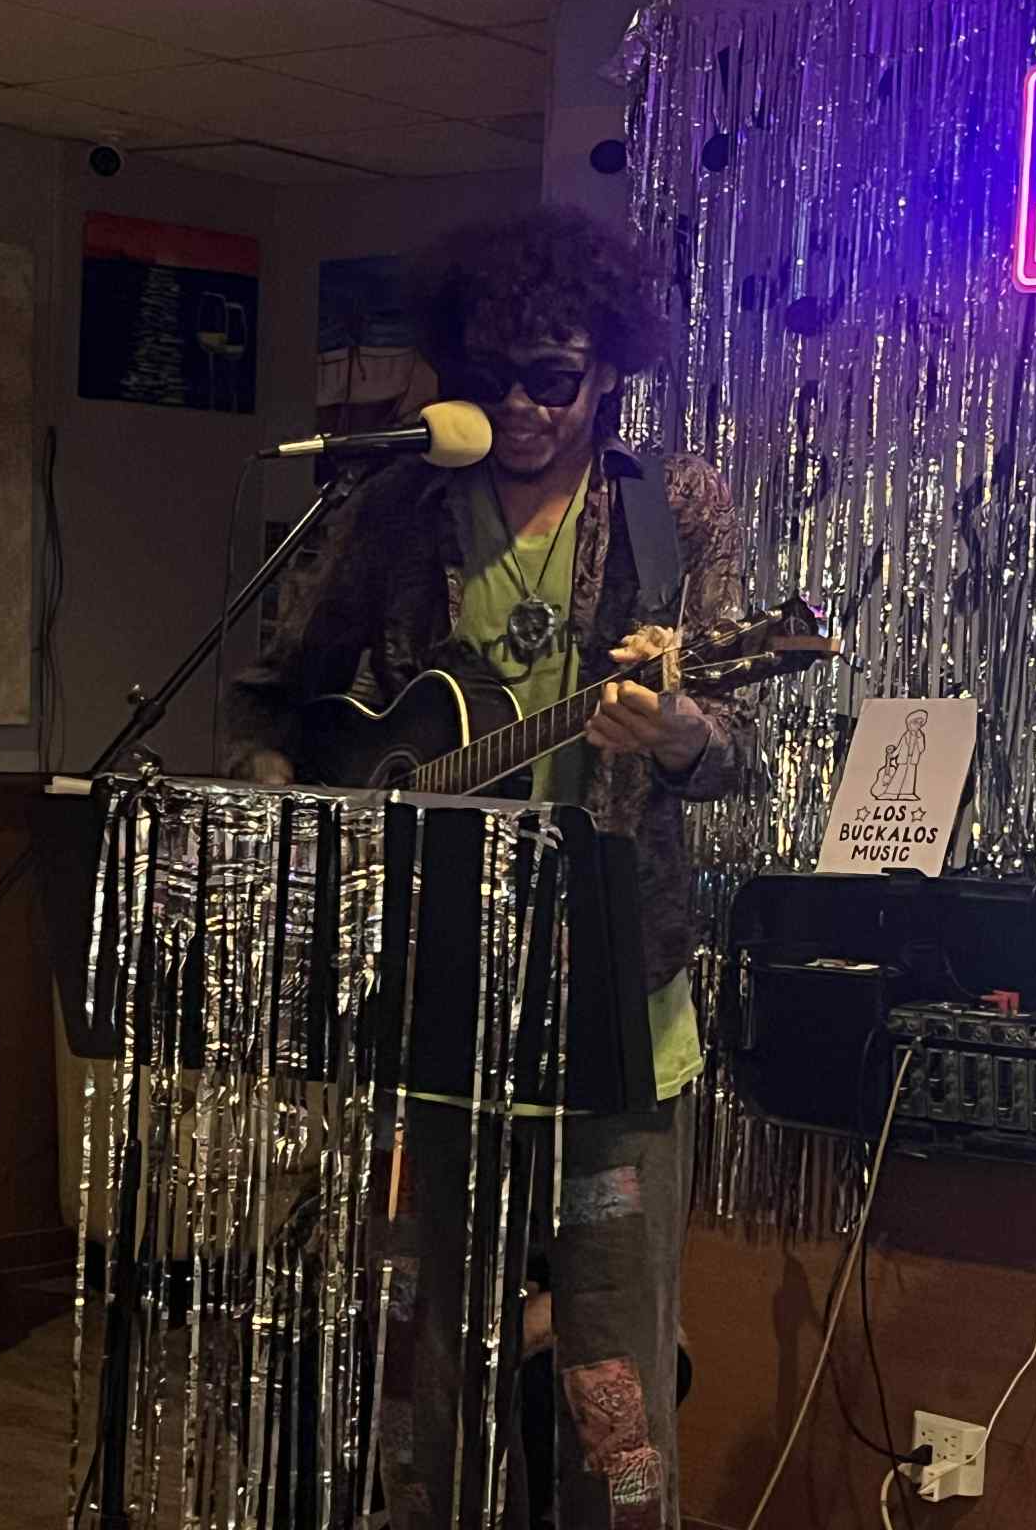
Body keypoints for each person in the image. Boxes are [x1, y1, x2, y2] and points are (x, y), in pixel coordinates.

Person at [225, 204, 752, 1530]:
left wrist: (680, 732)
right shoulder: (400, 505)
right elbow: (276, 694)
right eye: (493, 374)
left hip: (616, 990)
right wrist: (310, 811)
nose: (519, 406)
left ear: (611, 369)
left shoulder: (671, 509)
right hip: (435, 982)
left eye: (552, 378)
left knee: (611, 1351)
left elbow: (728, 744)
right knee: (429, 1334)